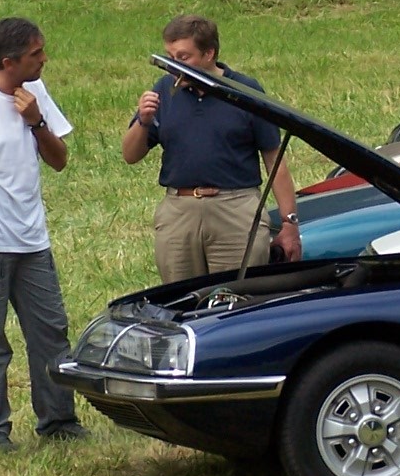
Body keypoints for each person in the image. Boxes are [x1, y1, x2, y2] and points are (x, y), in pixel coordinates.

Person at [0, 17, 86, 448]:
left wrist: (36, 121)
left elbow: (60, 159)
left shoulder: (34, 91)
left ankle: (59, 422)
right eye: (36, 54)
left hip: (33, 242)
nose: (44, 58)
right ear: (8, 61)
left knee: (51, 333)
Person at [121, 15, 302, 282]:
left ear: (209, 53)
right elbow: (130, 155)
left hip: (235, 209)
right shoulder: (163, 91)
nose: (173, 67)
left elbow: (275, 160)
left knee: (237, 299)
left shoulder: (245, 91)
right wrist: (143, 122)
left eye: (183, 57)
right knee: (181, 300)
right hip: (179, 211)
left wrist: (289, 223)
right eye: (169, 56)